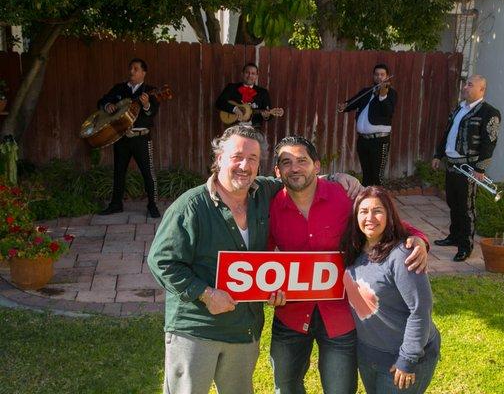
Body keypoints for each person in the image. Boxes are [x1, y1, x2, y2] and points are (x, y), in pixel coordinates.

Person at [147, 126, 361, 394]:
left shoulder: (262, 195)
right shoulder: (191, 207)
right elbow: (161, 261)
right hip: (196, 329)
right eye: (237, 156)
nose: (244, 166)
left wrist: (338, 177)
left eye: (252, 159)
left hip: (243, 329)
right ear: (218, 159)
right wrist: (205, 293)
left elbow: (299, 178)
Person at [268, 136, 430, 394]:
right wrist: (267, 290)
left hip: (339, 316)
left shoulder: (343, 196)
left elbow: (381, 220)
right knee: (285, 388)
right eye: (286, 163)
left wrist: (419, 239)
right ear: (277, 171)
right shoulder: (271, 206)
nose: (295, 168)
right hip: (291, 315)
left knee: (340, 390)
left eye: (302, 160)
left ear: (317, 166)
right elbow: (262, 259)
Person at [342, 186, 441, 394]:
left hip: (402, 359)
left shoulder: (401, 255)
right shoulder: (354, 249)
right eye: (363, 211)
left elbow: (421, 309)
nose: (370, 217)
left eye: (377, 210)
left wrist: (407, 359)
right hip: (369, 356)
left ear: (389, 215)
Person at [431, 75, 501, 262]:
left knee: (466, 207)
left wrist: (481, 168)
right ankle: (454, 236)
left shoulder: (489, 112)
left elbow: (490, 142)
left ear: (481, 89)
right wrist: (438, 155)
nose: (465, 87)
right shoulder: (459, 108)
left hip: (469, 167)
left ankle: (466, 245)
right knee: (453, 203)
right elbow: (447, 133)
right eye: (465, 84)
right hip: (452, 164)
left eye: (470, 85)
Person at [97, 58, 161, 218]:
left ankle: (152, 205)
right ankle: (116, 204)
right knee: (119, 172)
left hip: (141, 138)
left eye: (135, 69)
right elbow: (102, 101)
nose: (131, 72)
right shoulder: (119, 88)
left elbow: (152, 112)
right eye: (130, 69)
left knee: (148, 172)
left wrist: (146, 105)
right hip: (121, 138)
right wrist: (108, 106)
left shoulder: (151, 91)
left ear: (143, 73)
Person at [337, 64, 397, 186]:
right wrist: (343, 107)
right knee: (366, 175)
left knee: (378, 176)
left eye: (382, 75)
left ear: (387, 77)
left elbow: (388, 111)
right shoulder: (366, 92)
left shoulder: (390, 93)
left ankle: (381, 202)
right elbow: (351, 103)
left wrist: (382, 96)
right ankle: (367, 202)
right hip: (363, 141)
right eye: (376, 74)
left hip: (380, 140)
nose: (379, 77)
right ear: (373, 76)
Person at [216, 62, 272, 128]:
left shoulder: (263, 92)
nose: (249, 76)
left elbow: (269, 115)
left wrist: (266, 115)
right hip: (234, 128)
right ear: (242, 74)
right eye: (247, 72)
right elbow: (219, 103)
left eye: (253, 74)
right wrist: (235, 109)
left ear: (257, 76)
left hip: (254, 130)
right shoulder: (231, 87)